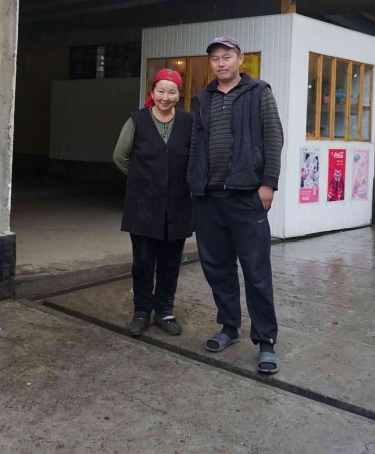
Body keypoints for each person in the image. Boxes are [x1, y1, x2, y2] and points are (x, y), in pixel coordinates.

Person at [187, 36, 284, 374]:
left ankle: (266, 341)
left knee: (256, 271)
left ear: (240, 59)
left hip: (246, 196)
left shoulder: (259, 92)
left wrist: (268, 182)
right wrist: (193, 184)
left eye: (226, 57)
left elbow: (274, 137)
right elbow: (196, 145)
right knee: (217, 267)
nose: (221, 63)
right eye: (215, 59)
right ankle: (229, 327)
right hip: (210, 197)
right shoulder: (203, 97)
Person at [112, 68, 194, 337]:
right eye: (161, 91)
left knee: (171, 262)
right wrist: (145, 181)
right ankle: (141, 311)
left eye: (172, 92)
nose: (165, 97)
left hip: (178, 206)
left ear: (179, 94)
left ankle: (165, 312)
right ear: (152, 92)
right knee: (144, 262)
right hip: (143, 206)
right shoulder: (137, 120)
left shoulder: (188, 122)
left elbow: (194, 160)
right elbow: (120, 157)